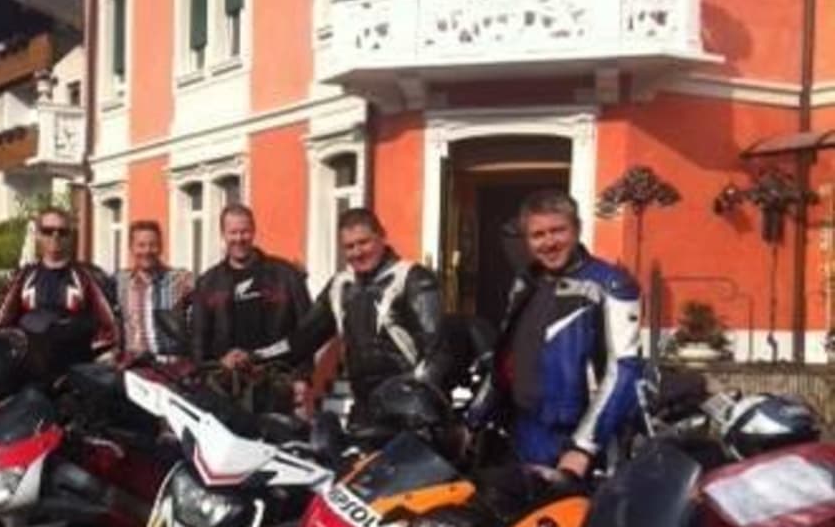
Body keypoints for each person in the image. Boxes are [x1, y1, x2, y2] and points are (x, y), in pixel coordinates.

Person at [471, 188, 641, 474]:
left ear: (577, 230)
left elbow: (625, 370)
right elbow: (505, 358)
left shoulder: (610, 285)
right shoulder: (525, 282)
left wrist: (583, 447)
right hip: (523, 431)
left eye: (558, 230)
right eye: (538, 235)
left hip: (576, 440)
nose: (549, 242)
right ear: (527, 240)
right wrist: (475, 418)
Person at [250, 207, 455, 417]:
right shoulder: (341, 286)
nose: (357, 252)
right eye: (349, 247)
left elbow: (438, 352)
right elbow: (301, 339)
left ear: (382, 237)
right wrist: (254, 357)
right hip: (365, 411)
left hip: (413, 411)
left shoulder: (412, 278)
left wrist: (419, 403)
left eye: (364, 242)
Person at [190, 204, 310, 369]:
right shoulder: (207, 283)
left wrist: (303, 375)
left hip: (277, 373)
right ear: (223, 234)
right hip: (226, 377)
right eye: (233, 232)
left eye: (244, 231)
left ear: (253, 231)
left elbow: (306, 332)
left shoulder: (286, 275)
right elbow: (198, 341)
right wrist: (218, 365)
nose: (239, 239)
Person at [0, 205, 118, 354]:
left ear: (70, 236)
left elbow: (110, 328)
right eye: (48, 231)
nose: (55, 236)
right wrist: (19, 347)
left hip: (75, 362)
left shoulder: (88, 276)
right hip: (31, 360)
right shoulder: (23, 277)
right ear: (38, 235)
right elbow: (1, 323)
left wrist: (85, 350)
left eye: (62, 232)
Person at [114, 220, 193, 359]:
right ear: (131, 248)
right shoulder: (120, 282)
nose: (147, 251)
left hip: (172, 364)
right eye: (141, 245)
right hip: (134, 364)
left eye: (153, 245)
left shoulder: (181, 280)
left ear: (161, 247)